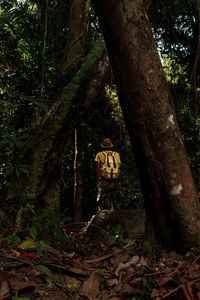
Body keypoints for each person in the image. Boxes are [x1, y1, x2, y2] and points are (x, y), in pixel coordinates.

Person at [95, 138, 121, 210]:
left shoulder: (99, 155)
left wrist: (98, 180)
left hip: (104, 179)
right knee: (115, 199)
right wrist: (119, 181)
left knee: (101, 199)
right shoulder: (116, 155)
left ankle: (102, 215)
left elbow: (97, 169)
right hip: (114, 179)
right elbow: (119, 168)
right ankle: (115, 213)